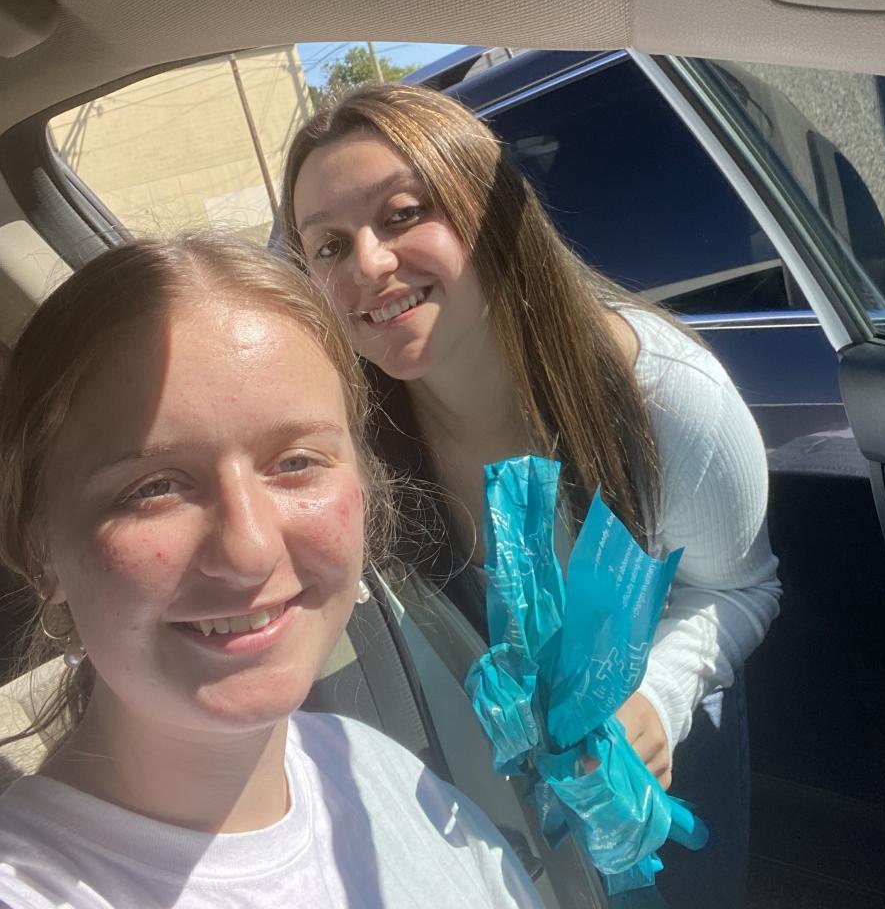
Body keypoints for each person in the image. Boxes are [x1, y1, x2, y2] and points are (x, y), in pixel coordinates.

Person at [281, 81, 782, 908]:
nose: (368, 264)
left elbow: (742, 589)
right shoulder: (347, 436)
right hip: (476, 784)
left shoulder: (666, 398)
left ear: (489, 211)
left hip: (659, 766)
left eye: (403, 213)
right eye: (328, 246)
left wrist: (658, 699)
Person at [0, 235, 542, 909]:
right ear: (37, 548)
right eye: (154, 487)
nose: (250, 549)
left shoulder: (389, 778)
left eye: (296, 463)